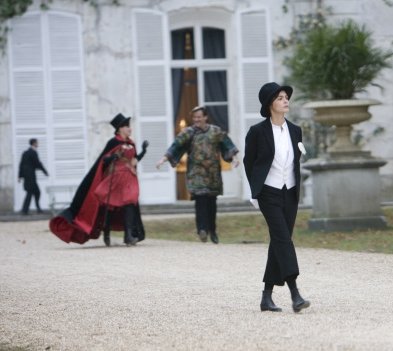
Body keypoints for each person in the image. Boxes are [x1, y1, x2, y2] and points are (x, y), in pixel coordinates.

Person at [243, 82, 310, 313]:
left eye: (286, 97)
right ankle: (295, 293)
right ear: (270, 104)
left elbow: (295, 161)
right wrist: (256, 192)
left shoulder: (295, 130)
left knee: (279, 241)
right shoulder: (257, 132)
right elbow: (248, 163)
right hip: (269, 193)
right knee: (284, 239)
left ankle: (266, 296)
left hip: (290, 193)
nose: (286, 100)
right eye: (280, 98)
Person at [49, 113, 148, 246]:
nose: (130, 128)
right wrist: (110, 158)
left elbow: (133, 162)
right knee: (113, 206)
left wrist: (142, 152)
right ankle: (106, 231)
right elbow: (103, 159)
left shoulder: (131, 143)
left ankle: (129, 235)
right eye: (126, 126)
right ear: (120, 129)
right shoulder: (113, 142)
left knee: (130, 203)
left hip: (129, 177)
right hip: (116, 178)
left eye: (129, 126)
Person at [156, 106, 239, 244]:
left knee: (211, 203)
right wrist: (163, 159)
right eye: (194, 117)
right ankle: (202, 230)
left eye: (199, 117)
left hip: (212, 174)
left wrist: (234, 158)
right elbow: (176, 145)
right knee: (200, 199)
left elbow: (226, 145)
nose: (196, 120)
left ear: (205, 117)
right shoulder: (188, 132)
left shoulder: (215, 131)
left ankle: (212, 231)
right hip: (196, 173)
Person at [18, 138, 49, 215]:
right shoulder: (33, 152)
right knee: (31, 193)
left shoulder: (25, 153)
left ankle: (35, 209)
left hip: (27, 177)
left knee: (35, 192)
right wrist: (45, 172)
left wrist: (20, 176)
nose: (38, 144)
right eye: (37, 143)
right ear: (34, 143)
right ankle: (25, 210)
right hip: (31, 177)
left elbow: (21, 165)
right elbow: (38, 163)